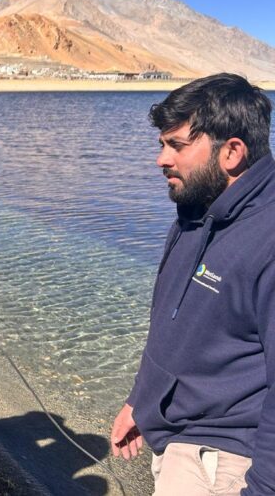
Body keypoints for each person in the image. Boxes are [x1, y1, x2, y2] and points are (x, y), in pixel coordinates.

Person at [110, 73, 275, 495]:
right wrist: (140, 400)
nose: (161, 160)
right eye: (161, 144)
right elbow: (175, 324)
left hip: (222, 460)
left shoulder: (268, 238)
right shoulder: (196, 210)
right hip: (179, 440)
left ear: (232, 151)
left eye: (176, 146)